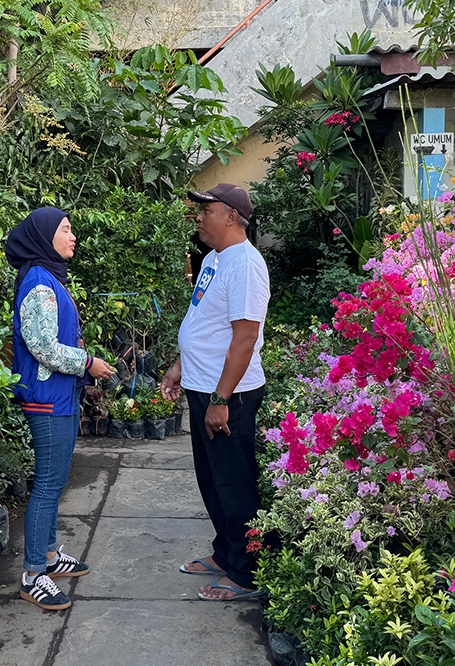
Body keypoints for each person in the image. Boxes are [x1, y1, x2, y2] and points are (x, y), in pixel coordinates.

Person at [160, 184, 270, 602]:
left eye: (206, 209)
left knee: (236, 484)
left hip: (231, 395)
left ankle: (246, 574)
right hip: (203, 387)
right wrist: (179, 365)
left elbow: (244, 339)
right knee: (212, 481)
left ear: (231, 216)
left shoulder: (246, 265)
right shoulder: (213, 260)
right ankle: (225, 555)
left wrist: (222, 400)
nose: (199, 216)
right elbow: (202, 323)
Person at [6, 207, 115, 611]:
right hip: (47, 400)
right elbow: (44, 348)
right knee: (49, 485)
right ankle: (34, 574)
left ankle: (50, 557)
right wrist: (89, 363)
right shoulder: (38, 283)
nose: (73, 236)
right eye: (66, 229)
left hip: (61, 397)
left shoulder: (50, 278)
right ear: (44, 235)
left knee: (56, 481)